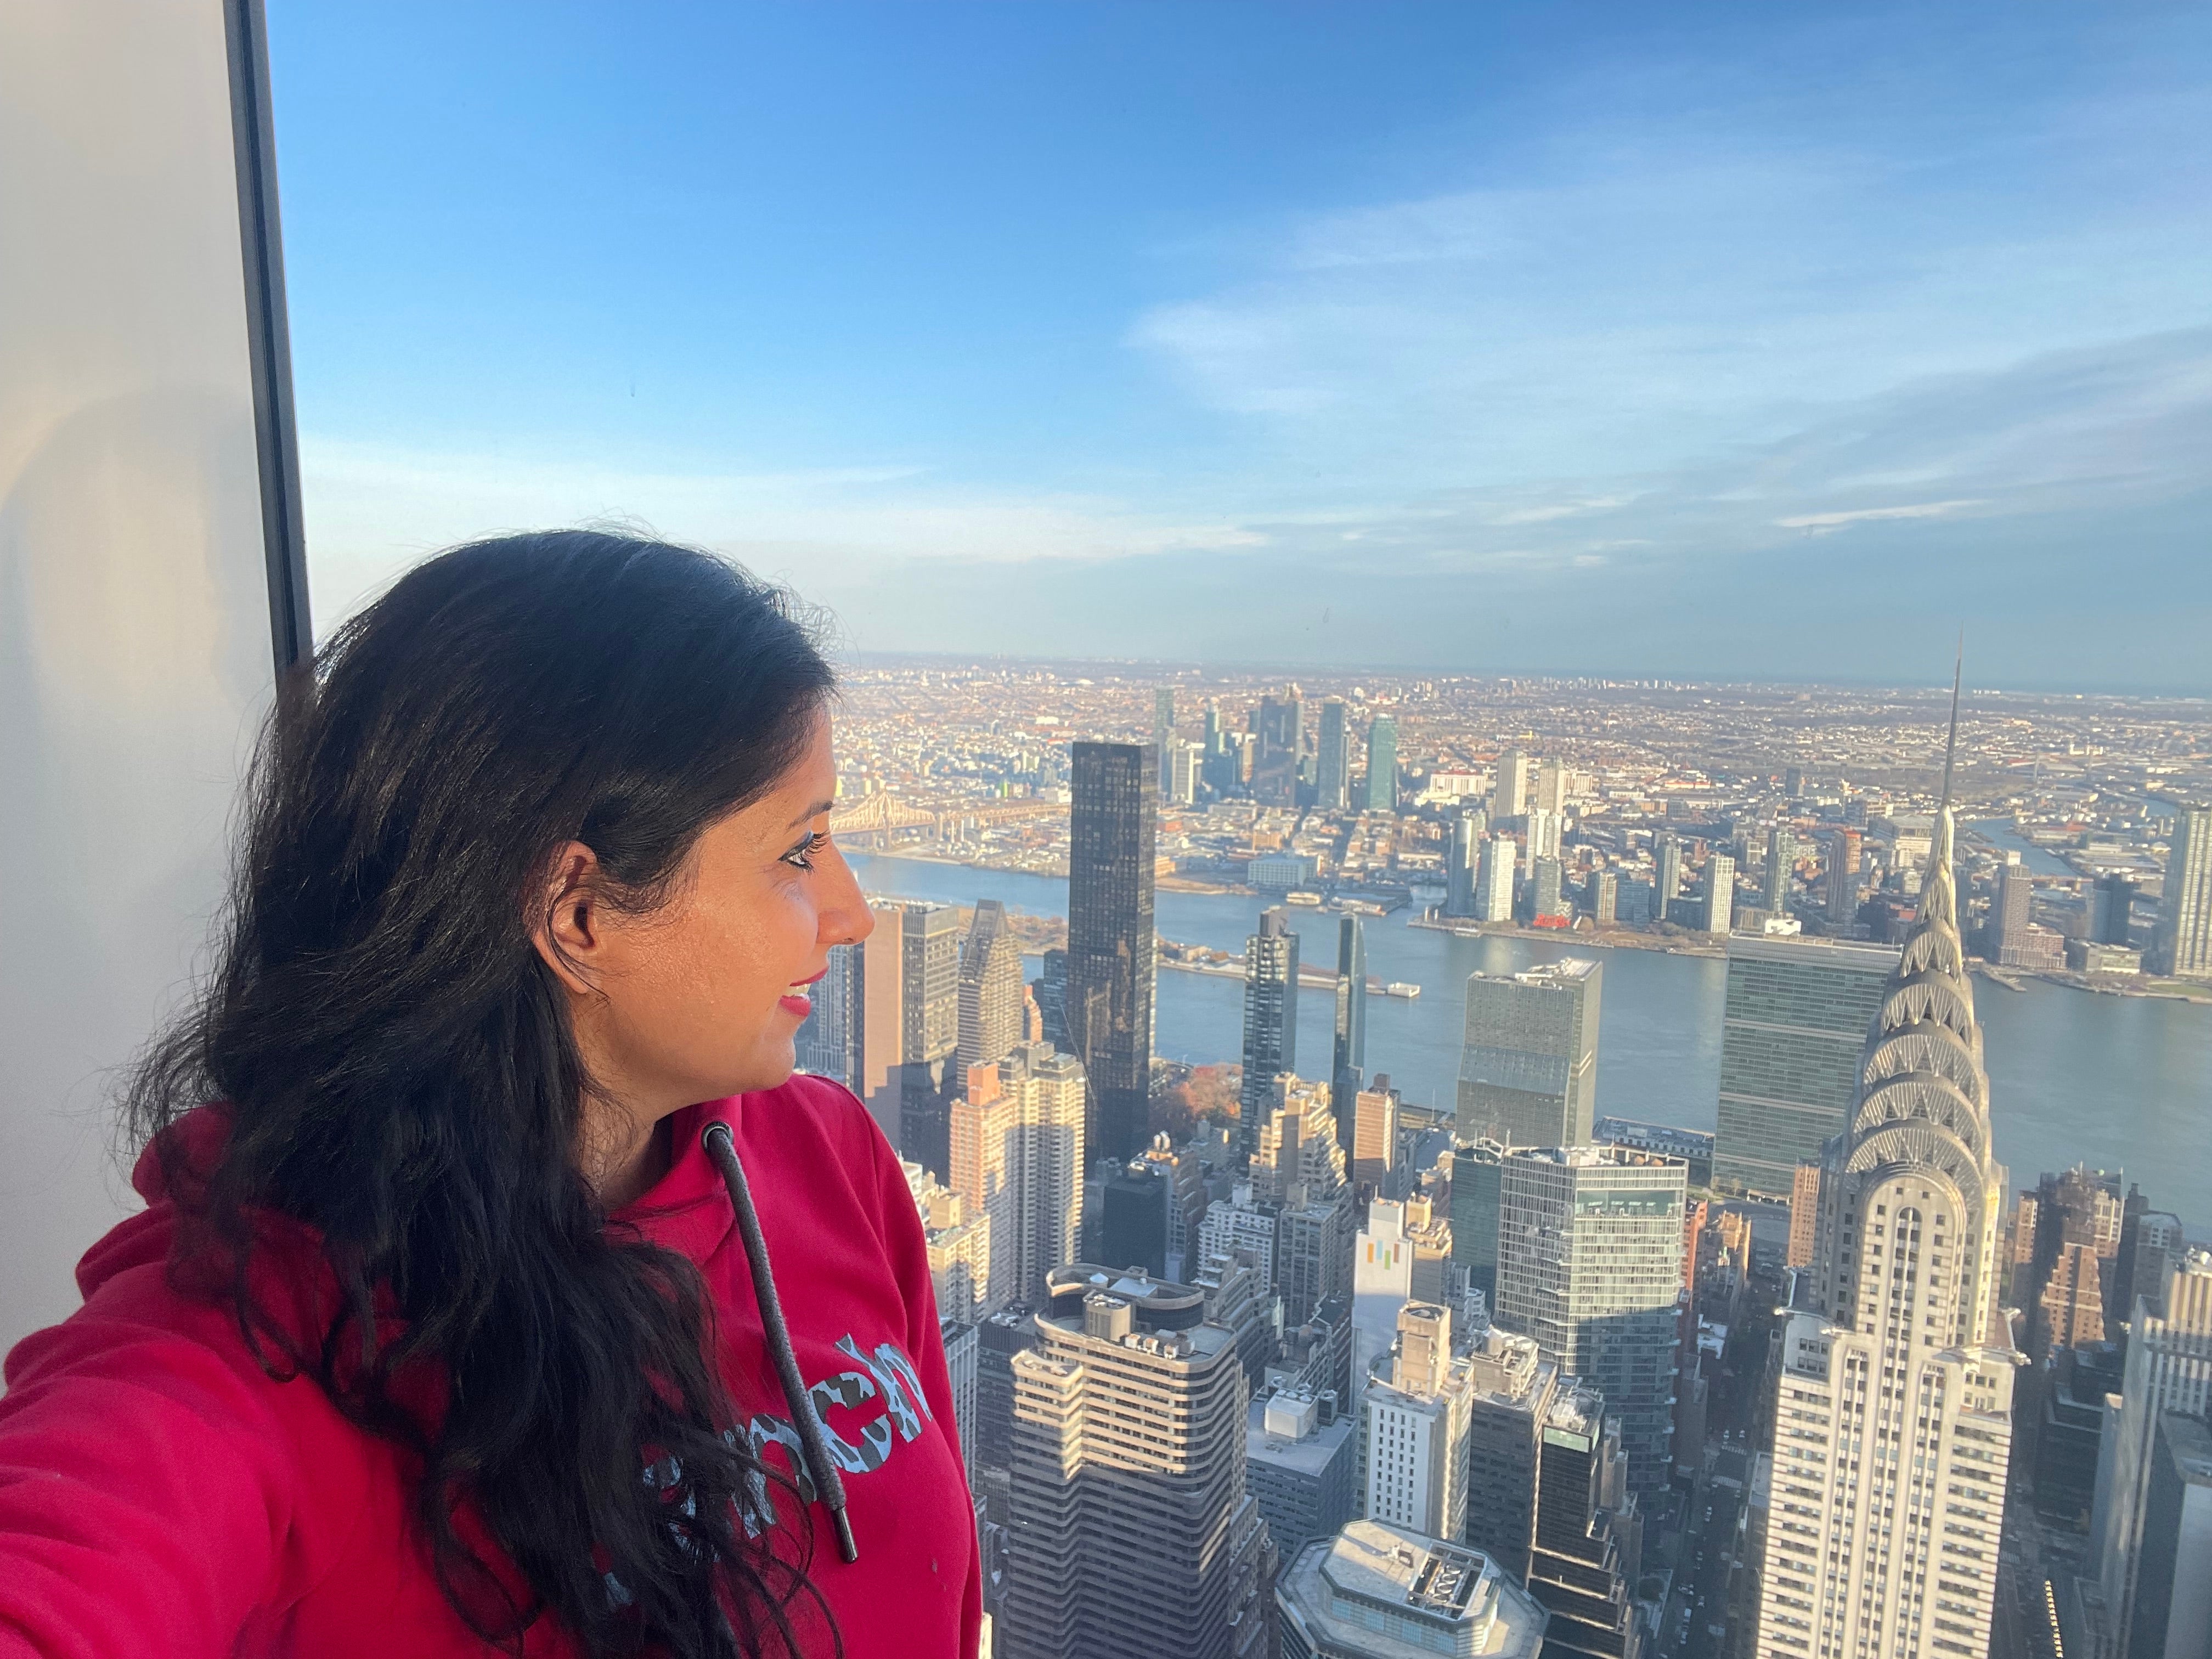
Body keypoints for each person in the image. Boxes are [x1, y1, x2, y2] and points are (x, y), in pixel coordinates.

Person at [0, 532, 980, 1658]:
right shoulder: (257, 1333)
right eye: (798, 852)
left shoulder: (830, 1160)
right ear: (579, 918)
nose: (852, 913)